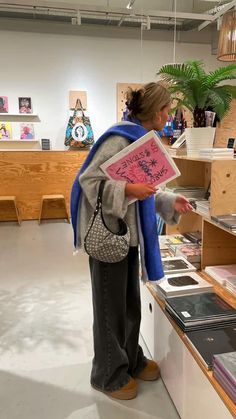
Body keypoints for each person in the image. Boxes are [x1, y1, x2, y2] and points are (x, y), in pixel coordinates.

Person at [71, 82, 193, 401]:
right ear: (155, 112)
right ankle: (108, 374)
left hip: (128, 239)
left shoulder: (141, 139)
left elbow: (145, 189)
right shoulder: (117, 138)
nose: (169, 116)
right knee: (110, 309)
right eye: (167, 110)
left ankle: (130, 360)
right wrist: (126, 190)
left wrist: (169, 200)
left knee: (128, 306)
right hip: (110, 238)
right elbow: (89, 182)